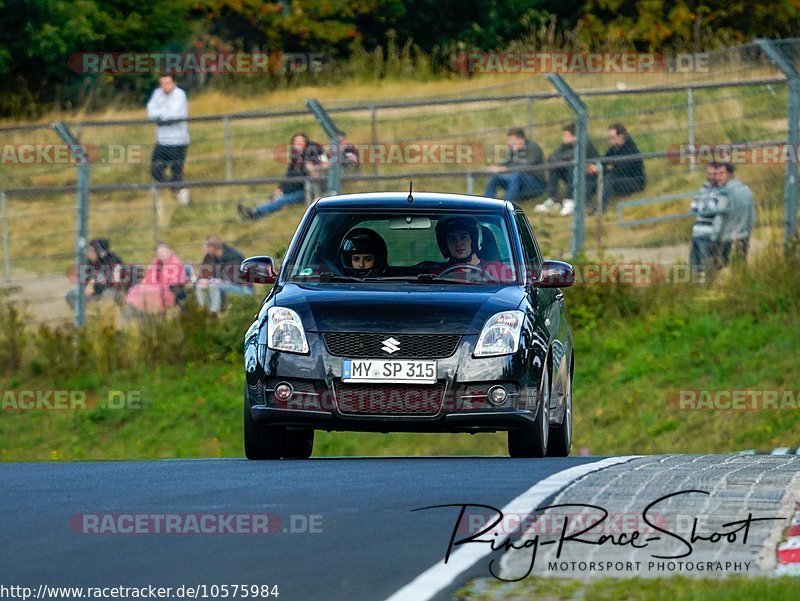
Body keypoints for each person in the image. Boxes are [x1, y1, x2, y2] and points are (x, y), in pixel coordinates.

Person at [238, 133, 323, 220]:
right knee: (273, 199)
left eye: (301, 142)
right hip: (291, 190)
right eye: (296, 142)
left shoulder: (311, 157)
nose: (298, 145)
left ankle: (254, 212)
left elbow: (307, 177)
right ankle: (254, 213)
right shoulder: (294, 160)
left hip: (304, 191)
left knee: (282, 200)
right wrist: (279, 189)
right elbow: (287, 176)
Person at [535, 122, 600, 217]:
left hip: (587, 179)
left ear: (575, 136)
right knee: (555, 166)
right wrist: (564, 160)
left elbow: (575, 156)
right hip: (571, 176)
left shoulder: (585, 143)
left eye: (566, 135)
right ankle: (553, 199)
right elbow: (552, 157)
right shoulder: (566, 145)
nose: (563, 137)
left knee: (571, 165)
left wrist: (564, 160)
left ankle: (570, 201)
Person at [146, 73, 191, 205]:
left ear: (174, 83)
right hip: (162, 140)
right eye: (162, 83)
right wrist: (161, 116)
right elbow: (150, 112)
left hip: (178, 141)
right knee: (155, 171)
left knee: (176, 172)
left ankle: (183, 198)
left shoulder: (179, 95)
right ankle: (177, 189)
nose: (165, 86)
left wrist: (159, 116)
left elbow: (174, 115)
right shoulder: (157, 93)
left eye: (168, 83)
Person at [433, 216, 512, 282]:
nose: (458, 243)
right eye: (452, 239)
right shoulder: (438, 274)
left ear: (474, 240)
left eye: (463, 237)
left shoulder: (499, 270)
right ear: (445, 245)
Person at [711, 163, 756, 268]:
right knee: (740, 267)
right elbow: (752, 214)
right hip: (743, 236)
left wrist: (714, 238)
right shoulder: (746, 189)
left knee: (716, 268)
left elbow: (720, 217)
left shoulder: (724, 192)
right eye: (717, 174)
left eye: (722, 173)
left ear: (730, 174)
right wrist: (748, 232)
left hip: (726, 238)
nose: (718, 177)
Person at [124, 243, 187, 316]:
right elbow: (149, 275)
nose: (161, 254)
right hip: (155, 287)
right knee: (135, 290)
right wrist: (145, 283)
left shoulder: (175, 263)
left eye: (163, 252)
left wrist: (154, 285)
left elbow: (172, 282)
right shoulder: (156, 262)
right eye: (159, 252)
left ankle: (146, 313)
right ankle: (135, 309)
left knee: (151, 293)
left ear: (169, 251)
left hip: (170, 290)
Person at [484, 127, 545, 202]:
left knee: (517, 175)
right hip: (516, 182)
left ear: (521, 139)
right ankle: (487, 203)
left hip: (534, 185)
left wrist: (507, 169)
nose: (509, 143)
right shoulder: (513, 149)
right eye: (509, 140)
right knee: (496, 177)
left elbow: (526, 167)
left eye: (512, 140)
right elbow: (506, 163)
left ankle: (506, 205)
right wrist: (497, 167)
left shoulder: (533, 148)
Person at [194, 235, 252, 313]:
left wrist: (211, 280)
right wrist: (202, 280)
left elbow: (235, 277)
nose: (204, 249)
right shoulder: (209, 258)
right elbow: (204, 274)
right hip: (223, 284)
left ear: (213, 248)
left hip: (242, 288)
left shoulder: (233, 255)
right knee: (199, 285)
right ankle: (202, 311)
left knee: (214, 284)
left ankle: (214, 312)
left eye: (206, 246)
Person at [597, 123, 646, 213]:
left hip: (634, 182)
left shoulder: (630, 149)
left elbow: (621, 171)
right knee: (599, 174)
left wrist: (600, 169)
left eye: (612, 137)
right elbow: (605, 159)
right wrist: (596, 166)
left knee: (610, 177)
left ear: (621, 136)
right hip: (621, 178)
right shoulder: (615, 148)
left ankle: (600, 207)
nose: (609, 140)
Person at [66, 238, 125, 310]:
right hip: (93, 292)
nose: (88, 252)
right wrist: (87, 285)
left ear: (101, 253)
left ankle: (108, 315)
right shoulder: (87, 261)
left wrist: (93, 282)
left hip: (108, 291)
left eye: (92, 250)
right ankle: (84, 316)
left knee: (110, 295)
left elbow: (115, 282)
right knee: (70, 295)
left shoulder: (113, 260)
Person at [689, 163, 721, 279]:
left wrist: (701, 208)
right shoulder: (703, 188)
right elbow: (693, 206)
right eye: (709, 173)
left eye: (714, 174)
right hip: (696, 233)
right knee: (694, 268)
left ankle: (709, 288)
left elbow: (712, 210)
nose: (711, 176)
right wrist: (702, 208)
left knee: (708, 267)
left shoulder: (721, 190)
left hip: (709, 234)